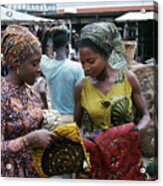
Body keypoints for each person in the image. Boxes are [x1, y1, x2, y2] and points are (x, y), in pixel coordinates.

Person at [74, 22, 150, 180]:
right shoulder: (82, 87)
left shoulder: (128, 79)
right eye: (82, 62)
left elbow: (145, 116)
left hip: (125, 158)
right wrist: (87, 142)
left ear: (105, 55)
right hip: (96, 162)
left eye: (91, 61)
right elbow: (77, 126)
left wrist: (132, 133)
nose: (86, 68)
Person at [1, 25, 61, 177]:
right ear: (16, 63)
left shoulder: (30, 92)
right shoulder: (2, 96)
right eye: (34, 64)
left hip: (34, 171)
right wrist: (30, 140)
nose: (39, 69)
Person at [40, 25, 85, 124]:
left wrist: (47, 35)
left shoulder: (47, 65)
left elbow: (40, 53)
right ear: (67, 46)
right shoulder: (77, 68)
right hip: (72, 118)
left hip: (55, 119)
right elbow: (82, 98)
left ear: (53, 47)